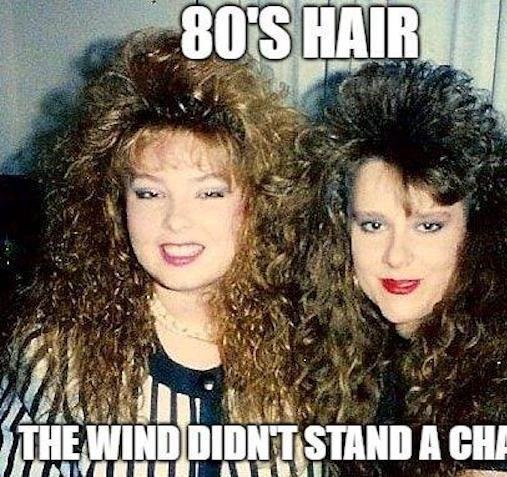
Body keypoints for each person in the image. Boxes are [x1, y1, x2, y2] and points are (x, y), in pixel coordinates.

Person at [0, 29, 324, 476]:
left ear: (256, 202)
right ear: (115, 204)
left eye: (209, 193)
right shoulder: (54, 356)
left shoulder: (310, 347)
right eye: (150, 193)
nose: (176, 221)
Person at [297, 60, 507, 476]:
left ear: (477, 233)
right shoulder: (363, 345)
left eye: (428, 226)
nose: (396, 256)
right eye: (373, 225)